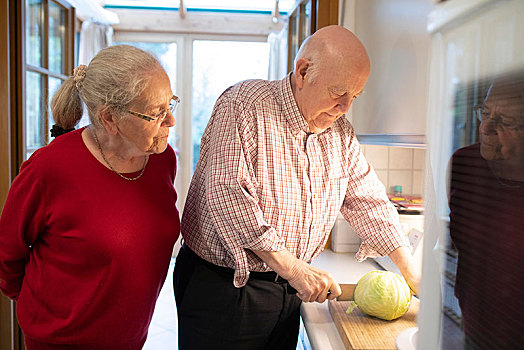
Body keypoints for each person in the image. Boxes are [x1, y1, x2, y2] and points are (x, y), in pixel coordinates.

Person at [174, 25, 420, 350]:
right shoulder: (244, 106)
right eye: (338, 92)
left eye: (355, 96)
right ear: (303, 71)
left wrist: (411, 273)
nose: (346, 107)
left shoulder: (340, 132)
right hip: (227, 288)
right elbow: (228, 196)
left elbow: (368, 201)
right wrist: (293, 268)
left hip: (290, 288)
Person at [0, 45, 180, 349]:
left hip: (131, 337)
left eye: (170, 104)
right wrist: (51, 312)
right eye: (155, 113)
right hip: (61, 341)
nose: (170, 122)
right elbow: (7, 255)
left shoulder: (163, 160)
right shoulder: (48, 169)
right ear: (109, 118)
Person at [449, 71, 524, 349]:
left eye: (505, 121)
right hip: (473, 328)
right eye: (485, 112)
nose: (486, 127)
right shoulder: (464, 165)